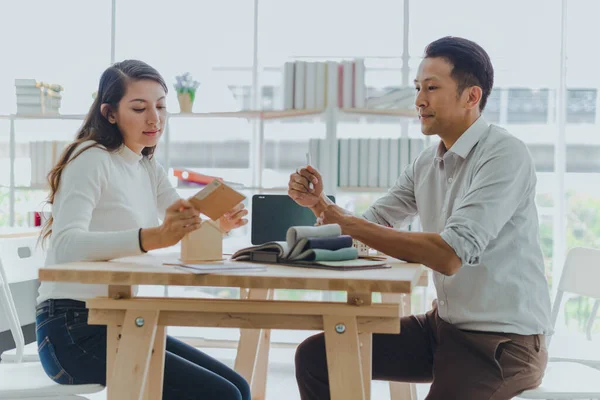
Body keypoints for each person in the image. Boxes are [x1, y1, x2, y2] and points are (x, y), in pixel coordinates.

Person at [289, 37, 552, 400]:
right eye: (417, 88)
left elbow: (448, 255)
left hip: (503, 345)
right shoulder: (427, 162)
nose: (418, 101)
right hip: (442, 329)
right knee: (317, 357)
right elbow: (373, 224)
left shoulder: (504, 155)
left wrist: (345, 221)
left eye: (431, 88)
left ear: (471, 96)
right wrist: (320, 205)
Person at [36, 60, 251, 400]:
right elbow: (64, 245)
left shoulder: (146, 164)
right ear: (109, 113)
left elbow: (180, 222)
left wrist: (217, 226)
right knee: (222, 394)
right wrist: (152, 238)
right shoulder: (90, 158)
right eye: (139, 108)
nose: (155, 119)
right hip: (73, 329)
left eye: (161, 106)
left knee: (238, 387)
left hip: (121, 316)